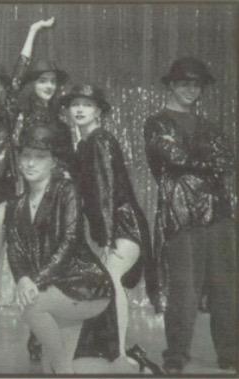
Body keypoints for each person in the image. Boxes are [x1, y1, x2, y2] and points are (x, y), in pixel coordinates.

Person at [0, 17, 61, 362]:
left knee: (38, 270)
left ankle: (39, 337)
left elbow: (20, 73)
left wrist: (32, 32)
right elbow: (20, 71)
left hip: (22, 197)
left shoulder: (24, 113)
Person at [143, 57, 236, 374]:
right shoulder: (156, 123)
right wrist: (203, 158)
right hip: (181, 213)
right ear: (171, 85)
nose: (190, 89)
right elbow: (173, 157)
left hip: (218, 214)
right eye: (184, 83)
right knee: (184, 289)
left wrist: (195, 159)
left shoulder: (211, 126)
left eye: (196, 84)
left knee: (226, 287)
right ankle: (176, 355)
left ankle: (230, 354)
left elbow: (227, 161)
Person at [5, 124, 113, 374]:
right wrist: (22, 278)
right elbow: (15, 249)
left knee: (31, 306)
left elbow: (70, 239)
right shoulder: (15, 205)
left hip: (84, 284)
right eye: (26, 156)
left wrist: (36, 280)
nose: (31, 163)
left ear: (53, 162)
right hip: (53, 287)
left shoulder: (67, 191)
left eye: (40, 157)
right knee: (48, 367)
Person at [61, 84, 153, 362]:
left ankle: (122, 352)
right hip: (116, 226)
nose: (79, 109)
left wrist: (108, 237)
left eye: (87, 105)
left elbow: (105, 189)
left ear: (99, 111)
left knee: (111, 280)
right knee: (107, 283)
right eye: (75, 104)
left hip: (124, 225)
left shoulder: (100, 140)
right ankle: (117, 349)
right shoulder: (86, 143)